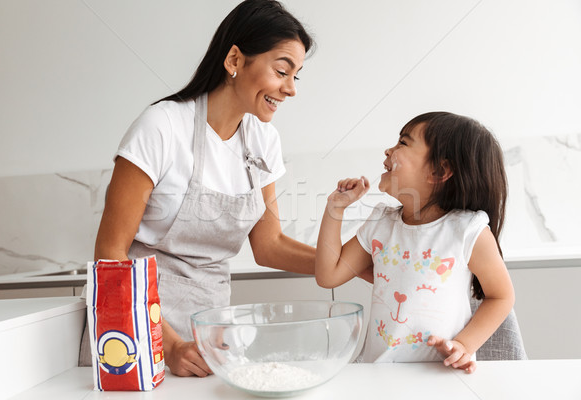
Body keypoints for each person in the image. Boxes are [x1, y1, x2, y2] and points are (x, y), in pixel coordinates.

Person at [86, 0, 317, 377]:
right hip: (136, 333)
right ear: (234, 61)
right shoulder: (161, 127)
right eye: (281, 71)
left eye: (297, 76)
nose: (290, 89)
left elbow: (269, 245)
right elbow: (111, 252)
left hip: (212, 333)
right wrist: (170, 344)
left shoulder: (264, 141)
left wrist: (348, 263)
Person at [315, 112, 515, 373]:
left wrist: (464, 345)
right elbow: (328, 275)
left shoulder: (467, 230)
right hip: (380, 375)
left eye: (403, 143)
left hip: (440, 377)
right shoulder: (380, 224)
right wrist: (335, 208)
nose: (388, 150)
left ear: (439, 171)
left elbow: (501, 296)